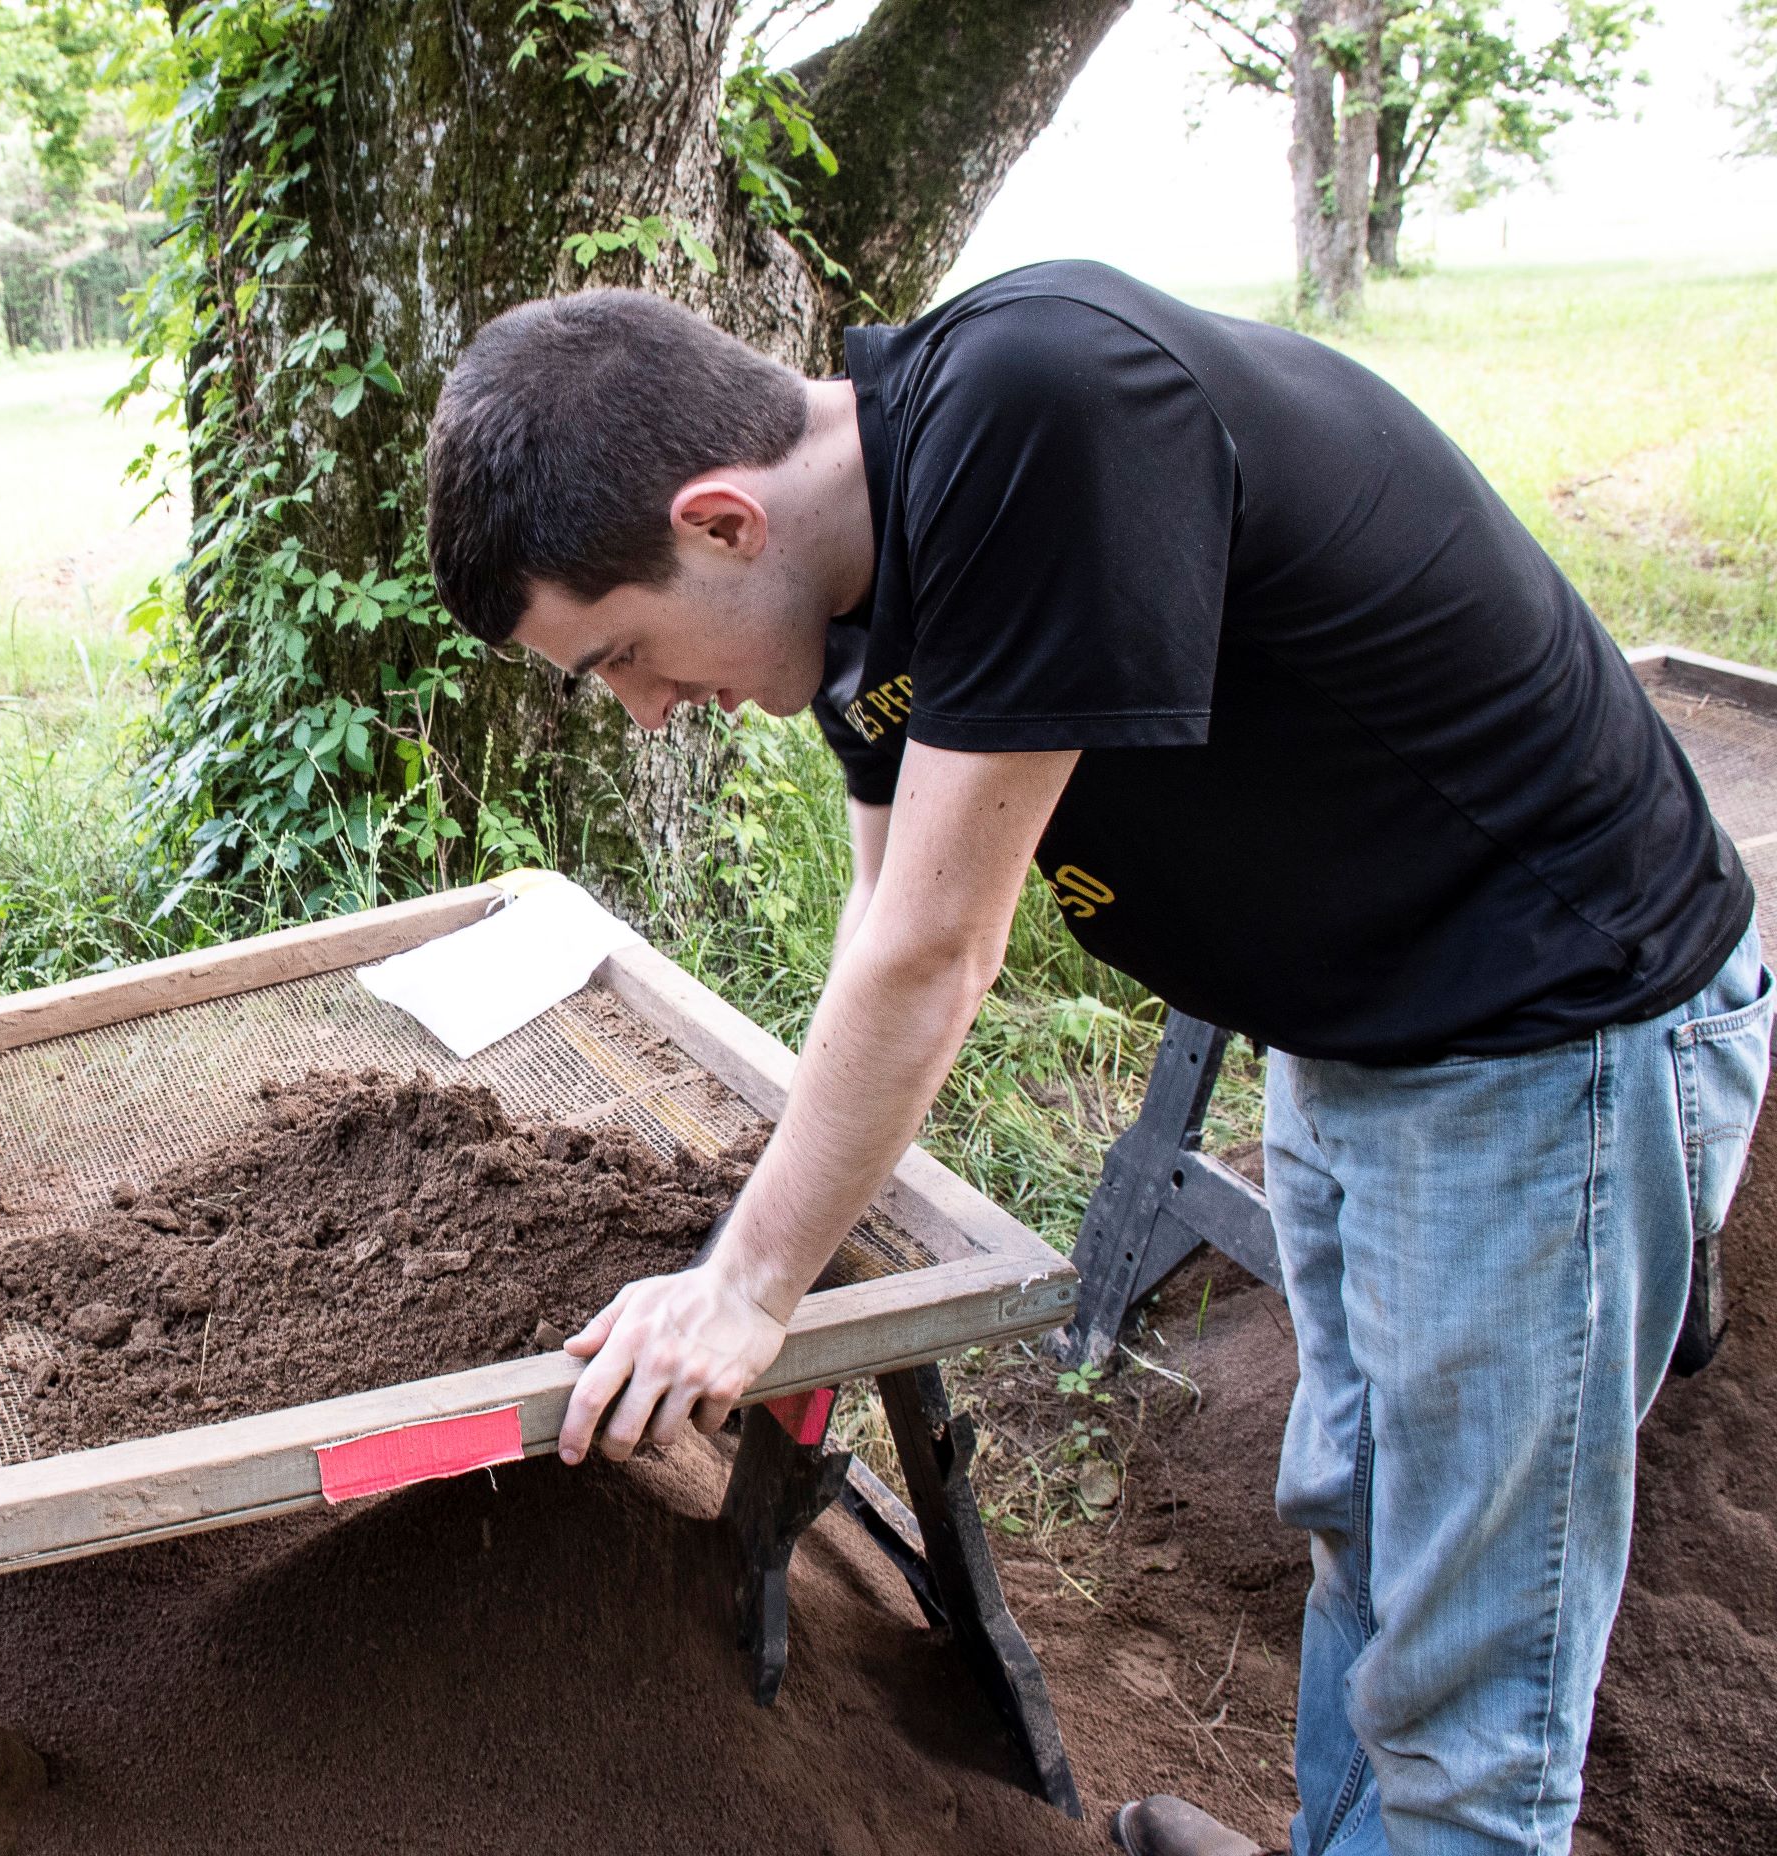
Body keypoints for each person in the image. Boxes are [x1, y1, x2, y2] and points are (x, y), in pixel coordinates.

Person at [421, 264, 1772, 1856]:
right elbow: (879, 930)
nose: (648, 712)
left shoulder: (1041, 412)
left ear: (724, 521)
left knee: (1474, 1685)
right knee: (1364, 1523)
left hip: (1545, 1042)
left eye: (622, 655)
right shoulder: (862, 583)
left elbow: (941, 949)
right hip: (1361, 1024)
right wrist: (756, 1216)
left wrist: (751, 1286)